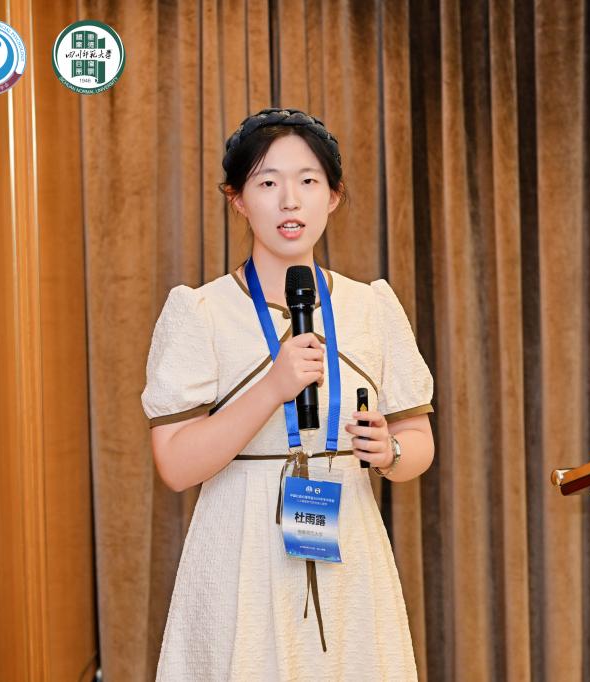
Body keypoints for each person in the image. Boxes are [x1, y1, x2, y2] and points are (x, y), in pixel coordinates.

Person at [141, 108, 435, 680]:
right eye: (268, 183)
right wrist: (272, 388)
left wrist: (391, 453)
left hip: (349, 545)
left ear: (333, 196)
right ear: (238, 200)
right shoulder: (200, 311)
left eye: (308, 181)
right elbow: (175, 465)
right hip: (241, 553)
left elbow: (417, 440)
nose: (290, 201)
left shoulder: (372, 306)